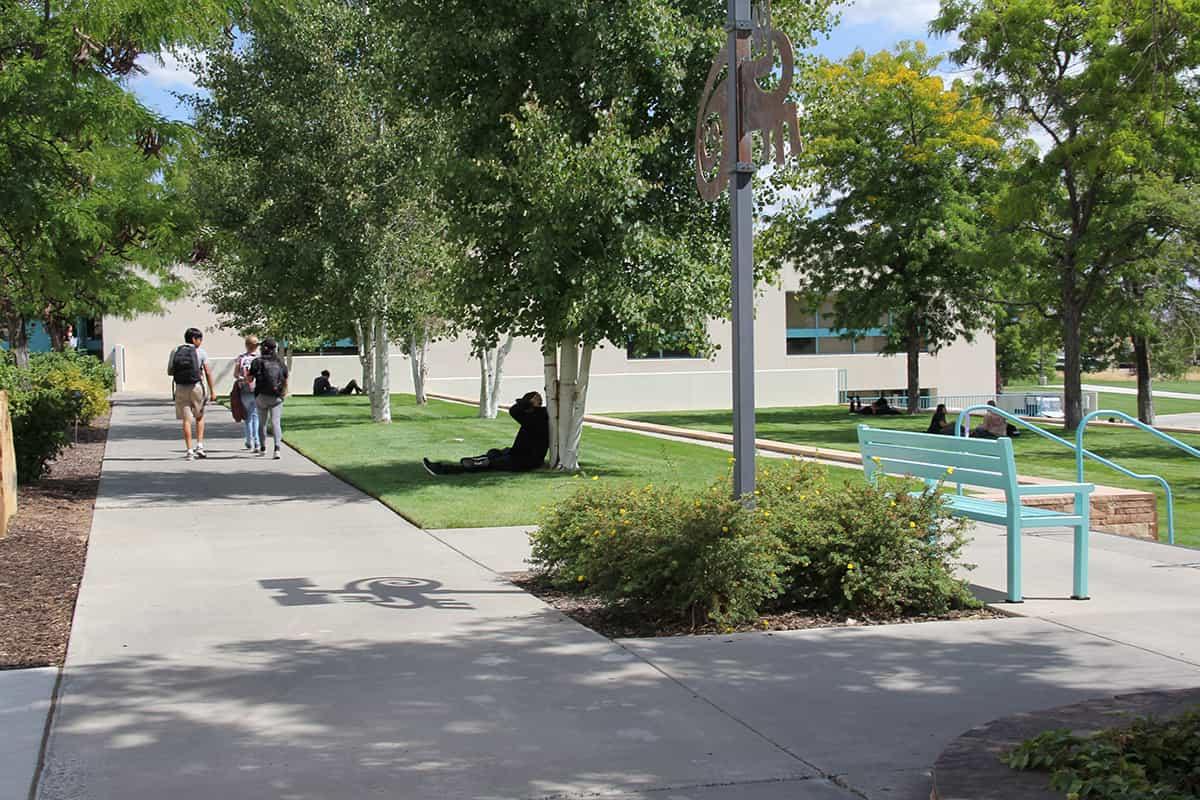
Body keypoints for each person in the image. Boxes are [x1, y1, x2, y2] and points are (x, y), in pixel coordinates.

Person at [423, 392, 549, 475]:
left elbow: (514, 410)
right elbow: (516, 410)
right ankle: (482, 460)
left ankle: (442, 469)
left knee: (486, 464)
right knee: (494, 453)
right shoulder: (537, 416)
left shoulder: (537, 417)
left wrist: (530, 403)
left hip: (524, 460)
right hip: (517, 453)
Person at [167, 327, 217, 460]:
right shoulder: (200, 352)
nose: (201, 341)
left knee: (186, 420)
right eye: (200, 339)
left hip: (181, 387)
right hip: (197, 387)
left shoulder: (175, 351)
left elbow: (170, 371)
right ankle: (200, 446)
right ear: (194, 339)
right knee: (199, 417)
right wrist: (212, 391)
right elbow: (208, 372)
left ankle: (189, 451)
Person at [249, 338, 289, 460]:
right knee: (276, 422)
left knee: (262, 423)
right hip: (276, 396)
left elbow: (250, 379)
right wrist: (284, 393)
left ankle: (263, 447)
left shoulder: (257, 361)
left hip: (261, 396)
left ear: (263, 348)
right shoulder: (280, 362)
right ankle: (277, 449)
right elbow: (286, 379)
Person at [234, 335, 262, 453]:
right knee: (256, 416)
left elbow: (235, 374)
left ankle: (249, 440)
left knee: (248, 417)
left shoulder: (241, 358)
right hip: (257, 390)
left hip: (244, 389)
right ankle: (257, 442)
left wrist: (242, 378)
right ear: (257, 346)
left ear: (246, 345)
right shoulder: (260, 358)